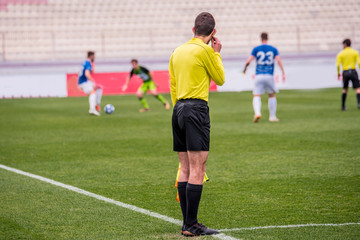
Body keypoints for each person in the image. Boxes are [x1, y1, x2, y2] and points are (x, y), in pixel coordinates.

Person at [169, 12, 225, 237]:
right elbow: (220, 79)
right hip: (196, 109)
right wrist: (217, 53)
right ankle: (191, 224)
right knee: (198, 168)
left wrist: (178, 110)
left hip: (179, 109)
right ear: (213, 33)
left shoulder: (177, 51)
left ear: (193, 30)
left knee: (185, 167)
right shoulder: (206, 51)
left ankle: (187, 223)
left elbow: (173, 84)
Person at [243, 32, 285, 122]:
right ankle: (272, 116)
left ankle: (257, 113)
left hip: (259, 75)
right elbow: (279, 61)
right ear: (267, 38)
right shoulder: (273, 49)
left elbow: (249, 61)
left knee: (257, 95)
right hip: (269, 75)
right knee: (271, 95)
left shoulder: (256, 49)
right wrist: (283, 72)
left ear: (261, 38)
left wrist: (245, 69)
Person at [336, 38, 360, 110]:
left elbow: (338, 65)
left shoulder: (341, 53)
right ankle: (359, 103)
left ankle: (343, 106)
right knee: (358, 88)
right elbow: (359, 63)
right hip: (353, 71)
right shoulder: (355, 52)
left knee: (345, 89)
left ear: (345, 44)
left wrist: (338, 73)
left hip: (345, 72)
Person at [78, 51, 102, 116]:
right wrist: (92, 81)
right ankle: (92, 109)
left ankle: (96, 105)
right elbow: (87, 73)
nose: (94, 58)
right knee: (92, 93)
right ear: (91, 56)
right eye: (94, 57)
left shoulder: (85, 62)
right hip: (84, 82)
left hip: (82, 82)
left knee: (98, 88)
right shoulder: (88, 63)